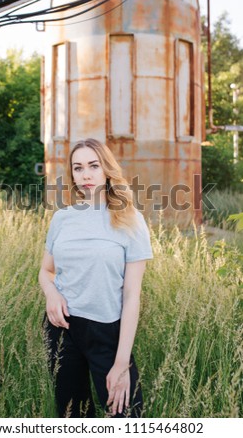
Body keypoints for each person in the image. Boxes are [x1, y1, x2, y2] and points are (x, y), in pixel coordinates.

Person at [38, 138, 153, 418]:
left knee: (126, 416)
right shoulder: (62, 219)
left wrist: (122, 363)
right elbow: (45, 271)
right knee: (72, 416)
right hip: (62, 328)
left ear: (107, 170)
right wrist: (52, 294)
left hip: (106, 332)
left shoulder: (129, 219)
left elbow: (131, 294)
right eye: (78, 168)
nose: (85, 175)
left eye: (93, 165)